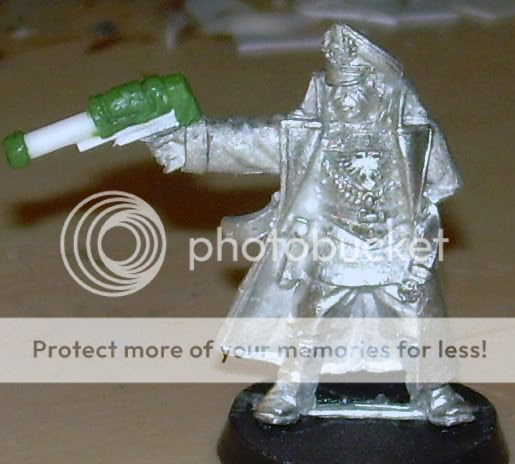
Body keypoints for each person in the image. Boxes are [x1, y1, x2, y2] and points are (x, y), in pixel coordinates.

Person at [144, 23, 474, 427]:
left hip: (397, 249)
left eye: (353, 90)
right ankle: (292, 389)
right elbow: (251, 142)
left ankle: (434, 391)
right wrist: (188, 142)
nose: (343, 100)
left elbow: (433, 196)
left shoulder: (414, 138)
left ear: (379, 90)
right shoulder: (312, 136)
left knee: (419, 325)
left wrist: (420, 253)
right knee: (311, 324)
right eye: (336, 90)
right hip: (331, 247)